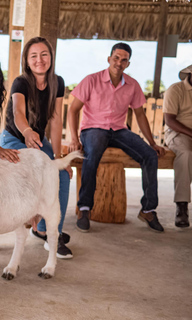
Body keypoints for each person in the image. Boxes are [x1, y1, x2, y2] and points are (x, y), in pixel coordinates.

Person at [68, 42, 166, 233]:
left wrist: (152, 143)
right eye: (116, 58)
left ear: (128, 64)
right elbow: (73, 110)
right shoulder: (91, 80)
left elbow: (139, 115)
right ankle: (85, 208)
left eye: (124, 60)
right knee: (93, 152)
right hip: (93, 129)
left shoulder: (132, 85)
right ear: (109, 59)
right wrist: (74, 139)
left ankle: (148, 209)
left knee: (149, 155)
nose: (119, 63)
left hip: (119, 130)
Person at [0, 37, 73, 259]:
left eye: (44, 55)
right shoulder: (21, 82)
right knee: (27, 176)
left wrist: (60, 157)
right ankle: (24, 223)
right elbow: (18, 113)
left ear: (51, 57)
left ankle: (50, 234)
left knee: (63, 175)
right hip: (15, 137)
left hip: (39, 140)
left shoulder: (58, 82)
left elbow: (57, 119)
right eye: (34, 56)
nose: (39, 60)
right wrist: (27, 131)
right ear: (27, 61)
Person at [163, 64, 192, 228]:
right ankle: (182, 207)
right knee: (186, 153)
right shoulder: (175, 89)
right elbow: (170, 121)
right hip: (178, 132)